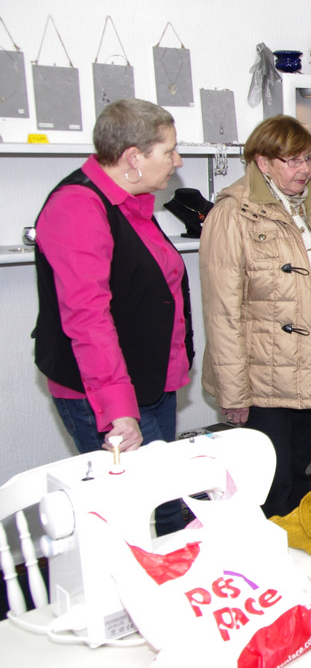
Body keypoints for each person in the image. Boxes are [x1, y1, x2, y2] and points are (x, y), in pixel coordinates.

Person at [33, 98, 192, 535]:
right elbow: (89, 320)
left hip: (148, 383)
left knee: (165, 503)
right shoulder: (77, 208)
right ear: (133, 158)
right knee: (130, 519)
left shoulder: (130, 201)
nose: (178, 161)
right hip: (104, 394)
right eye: (170, 151)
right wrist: (119, 413)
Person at [200, 115, 311, 517]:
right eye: (293, 160)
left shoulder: (308, 206)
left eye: (309, 158)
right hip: (261, 371)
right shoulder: (233, 213)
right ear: (263, 162)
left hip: (305, 358)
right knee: (271, 479)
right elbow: (222, 313)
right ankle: (270, 548)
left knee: (298, 466)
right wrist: (234, 393)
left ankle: (298, 544)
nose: (305, 169)